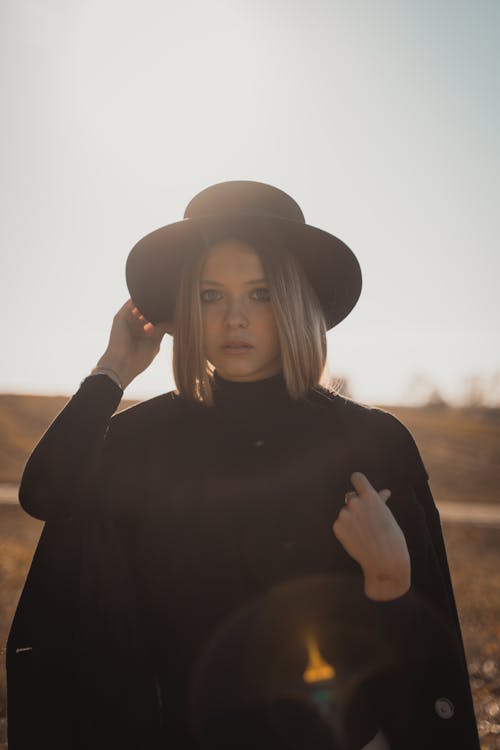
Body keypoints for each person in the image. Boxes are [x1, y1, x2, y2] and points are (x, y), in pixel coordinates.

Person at [7, 181, 479, 750]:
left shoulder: (371, 442)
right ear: (185, 309)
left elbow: (427, 650)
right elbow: (46, 494)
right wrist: (110, 373)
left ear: (295, 302)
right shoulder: (139, 439)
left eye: (260, 294)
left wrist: (389, 584)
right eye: (210, 295)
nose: (235, 318)